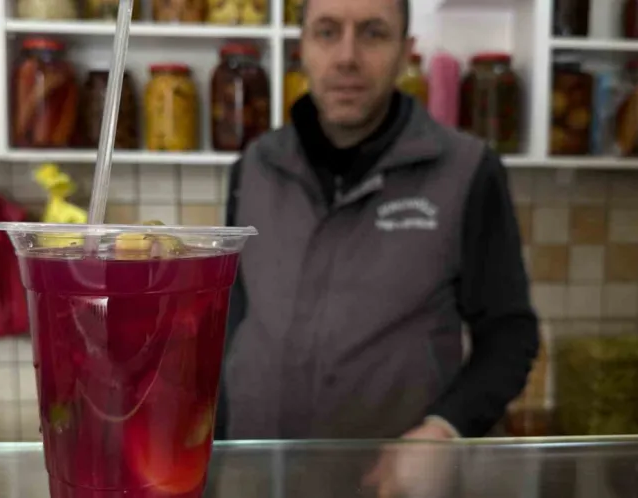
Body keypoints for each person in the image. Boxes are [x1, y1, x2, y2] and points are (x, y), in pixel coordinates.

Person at [217, 0, 538, 446]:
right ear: (302, 47)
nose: (347, 57)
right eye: (327, 32)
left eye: (373, 33)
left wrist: (445, 429)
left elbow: (509, 333)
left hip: (389, 482)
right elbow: (231, 317)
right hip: (252, 472)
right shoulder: (253, 167)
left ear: (405, 51)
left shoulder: (466, 170)